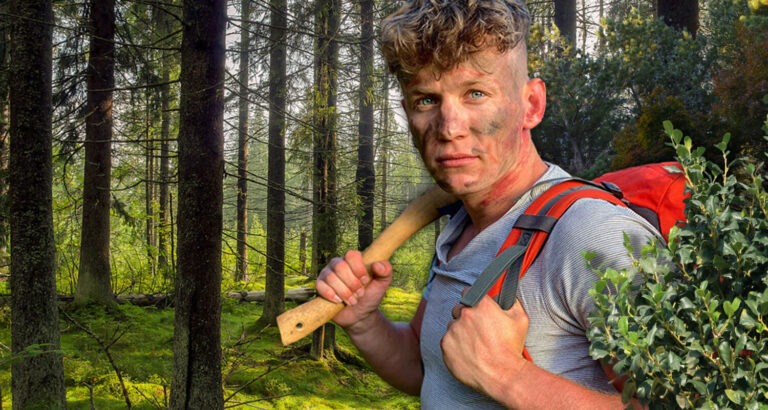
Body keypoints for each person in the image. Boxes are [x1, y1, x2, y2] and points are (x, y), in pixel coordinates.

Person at [315, 0, 658, 408]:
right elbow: (427, 371)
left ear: (531, 105)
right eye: (426, 100)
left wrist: (509, 376)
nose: (449, 127)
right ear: (407, 112)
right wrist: (365, 323)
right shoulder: (461, 225)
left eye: (475, 93)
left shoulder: (593, 235)